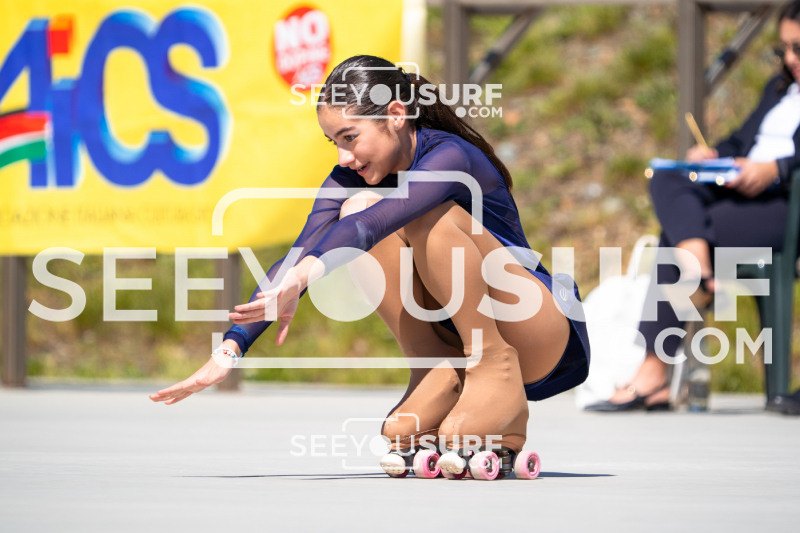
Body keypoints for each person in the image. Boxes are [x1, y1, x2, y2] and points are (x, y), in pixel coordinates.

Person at [150, 55, 591, 478]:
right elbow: (301, 252)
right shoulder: (351, 178)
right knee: (357, 205)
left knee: (422, 214)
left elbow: (375, 223)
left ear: (396, 115)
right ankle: (436, 370)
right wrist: (231, 348)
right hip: (459, 339)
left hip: (533, 325)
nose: (344, 157)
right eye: (334, 143)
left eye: (350, 137)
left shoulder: (450, 156)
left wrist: (304, 277)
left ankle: (493, 368)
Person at [587, 1, 800, 413]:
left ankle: (653, 373)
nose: (790, 59)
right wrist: (714, 154)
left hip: (784, 203)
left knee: (678, 235)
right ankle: (697, 262)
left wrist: (775, 169)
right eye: (784, 49)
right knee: (666, 175)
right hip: (739, 187)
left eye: (799, 48)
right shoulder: (778, 90)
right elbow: (741, 141)